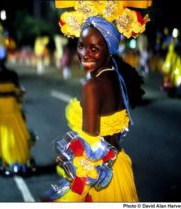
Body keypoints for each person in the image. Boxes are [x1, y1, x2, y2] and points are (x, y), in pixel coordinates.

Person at [44, 0, 149, 202]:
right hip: (119, 170)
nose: (85, 54)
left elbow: (89, 154)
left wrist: (71, 195)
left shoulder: (92, 87)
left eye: (94, 49)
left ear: (108, 49)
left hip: (100, 182)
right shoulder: (117, 77)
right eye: (81, 46)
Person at [0, 59, 36, 176]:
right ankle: (16, 161)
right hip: (13, 111)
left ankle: (5, 161)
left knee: (0, 138)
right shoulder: (13, 75)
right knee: (16, 138)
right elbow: (18, 93)